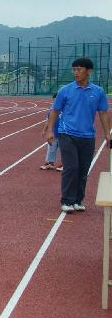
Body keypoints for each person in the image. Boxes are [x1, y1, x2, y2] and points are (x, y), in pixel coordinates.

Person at [44, 58, 111, 212]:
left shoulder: (98, 92)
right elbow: (55, 111)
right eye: (74, 69)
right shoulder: (65, 90)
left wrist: (108, 133)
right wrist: (49, 131)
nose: (76, 72)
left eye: (79, 69)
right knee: (71, 167)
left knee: (83, 170)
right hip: (67, 134)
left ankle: (78, 200)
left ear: (89, 71)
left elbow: (103, 113)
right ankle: (67, 200)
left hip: (88, 136)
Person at [41, 93, 63, 171]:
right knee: (51, 148)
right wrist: (44, 131)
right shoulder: (51, 109)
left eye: (56, 100)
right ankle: (50, 163)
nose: (54, 102)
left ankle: (65, 164)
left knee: (64, 149)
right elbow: (48, 121)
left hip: (63, 133)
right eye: (53, 100)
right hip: (53, 133)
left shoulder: (65, 108)